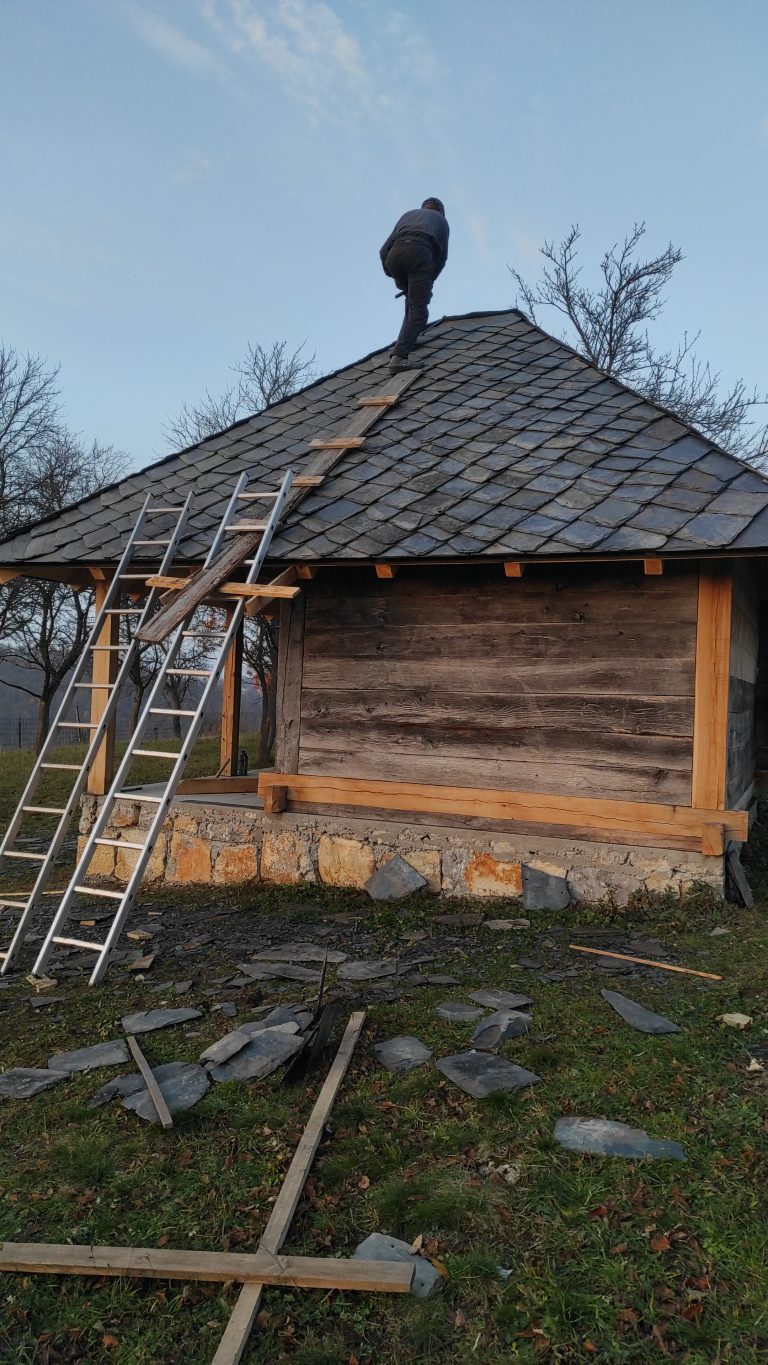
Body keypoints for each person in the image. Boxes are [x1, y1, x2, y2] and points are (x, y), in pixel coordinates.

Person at [380, 197, 449, 374]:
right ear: (440, 211)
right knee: (419, 309)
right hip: (420, 252)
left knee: (411, 297)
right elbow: (441, 259)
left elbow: (383, 251)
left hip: (394, 256)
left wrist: (393, 275)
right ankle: (399, 358)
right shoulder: (441, 221)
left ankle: (409, 337)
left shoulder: (408, 215)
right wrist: (429, 282)